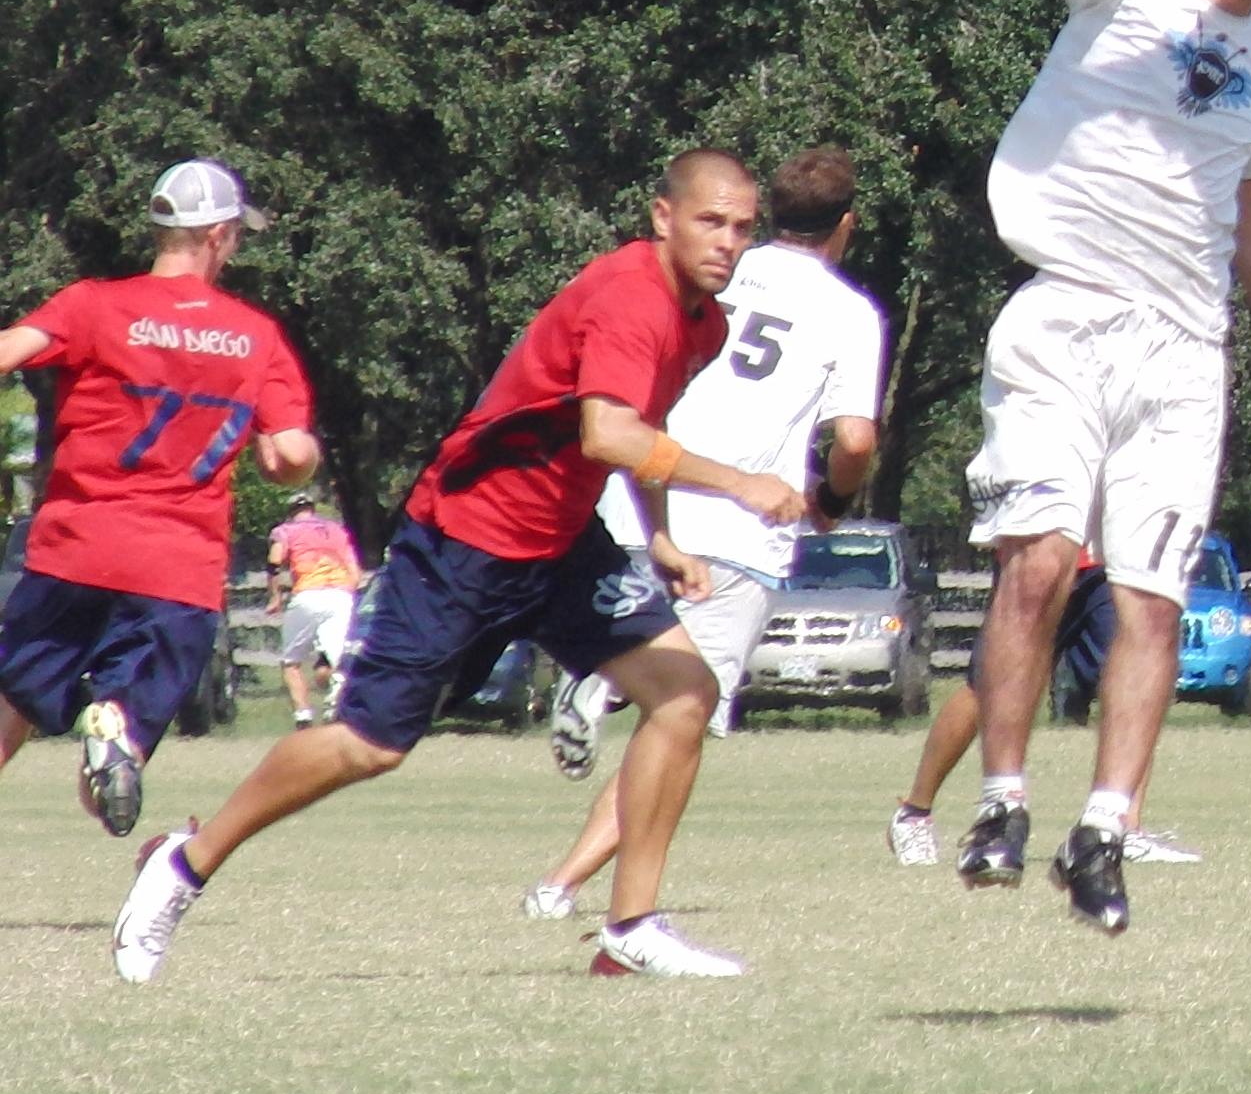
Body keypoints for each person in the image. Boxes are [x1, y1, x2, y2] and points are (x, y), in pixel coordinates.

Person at [111, 152, 805, 984]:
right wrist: (740, 484)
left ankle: (631, 927)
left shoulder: (704, 324)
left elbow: (636, 433)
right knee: (369, 745)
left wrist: (659, 538)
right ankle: (185, 865)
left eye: (742, 227)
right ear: (663, 217)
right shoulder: (632, 297)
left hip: (561, 545)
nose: (727, 241)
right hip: (467, 541)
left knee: (685, 694)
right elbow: (609, 436)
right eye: (710, 221)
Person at [956, 0, 1251, 934]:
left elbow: (1243, 186)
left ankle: (1102, 832)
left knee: (1154, 597)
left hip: (1186, 351)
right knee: (1041, 565)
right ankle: (1001, 804)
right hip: (1067, 313)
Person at [523, 148, 887, 919]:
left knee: (660, 692)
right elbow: (855, 439)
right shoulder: (848, 310)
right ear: (845, 226)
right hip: (734, 536)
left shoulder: (710, 269)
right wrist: (830, 500)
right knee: (681, 719)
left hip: (640, 503)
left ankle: (602, 682)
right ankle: (563, 884)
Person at [0, 163, 321, 838]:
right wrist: (289, 458)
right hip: (177, 568)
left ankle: (104, 729)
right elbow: (291, 456)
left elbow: (9, 351)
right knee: (123, 741)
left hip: (75, 549)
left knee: (12, 701)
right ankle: (111, 730)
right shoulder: (256, 335)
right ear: (220, 235)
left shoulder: (93, 304)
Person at [887, 569, 1201, 867]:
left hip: (1105, 565)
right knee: (990, 690)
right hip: (1043, 551)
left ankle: (1125, 828)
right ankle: (914, 813)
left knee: (1134, 687)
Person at [266, 495, 367, 726]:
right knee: (337, 660)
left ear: (292, 511)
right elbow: (355, 571)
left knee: (291, 662)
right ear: (312, 509)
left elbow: (274, 562)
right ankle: (336, 697)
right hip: (341, 595)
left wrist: (275, 596)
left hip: (308, 593)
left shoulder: (285, 530)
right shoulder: (337, 530)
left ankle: (303, 716)